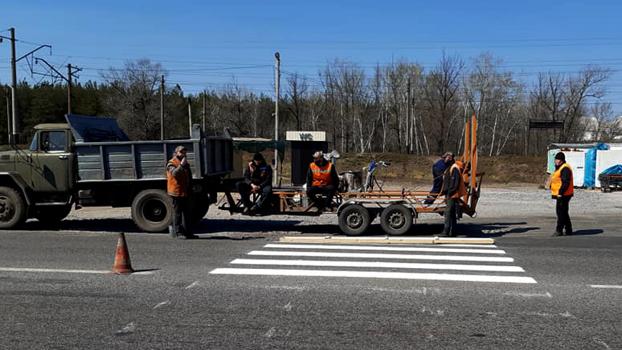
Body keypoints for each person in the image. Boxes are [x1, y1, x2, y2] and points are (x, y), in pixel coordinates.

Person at [166, 145, 197, 239]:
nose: (183, 154)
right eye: (181, 152)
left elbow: (189, 176)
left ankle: (188, 232)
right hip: (176, 192)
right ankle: (178, 233)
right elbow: (175, 174)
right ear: (176, 153)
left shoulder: (185, 163)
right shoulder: (171, 163)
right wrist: (181, 165)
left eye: (184, 152)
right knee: (177, 213)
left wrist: (191, 187)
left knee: (187, 213)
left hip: (185, 192)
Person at [440, 156, 466, 237]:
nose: (445, 160)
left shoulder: (454, 168)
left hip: (452, 194)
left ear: (451, 160)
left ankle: (446, 231)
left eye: (446, 159)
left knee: (448, 212)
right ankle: (453, 231)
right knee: (452, 213)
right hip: (451, 193)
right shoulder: (452, 167)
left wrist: (449, 192)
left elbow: (455, 183)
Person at [551, 152, 574, 236]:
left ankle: (559, 230)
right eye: (556, 159)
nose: (556, 161)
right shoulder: (560, 167)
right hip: (562, 193)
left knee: (560, 212)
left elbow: (565, 182)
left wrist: (560, 193)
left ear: (562, 160)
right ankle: (569, 229)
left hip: (564, 194)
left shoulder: (565, 168)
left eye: (558, 160)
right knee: (564, 212)